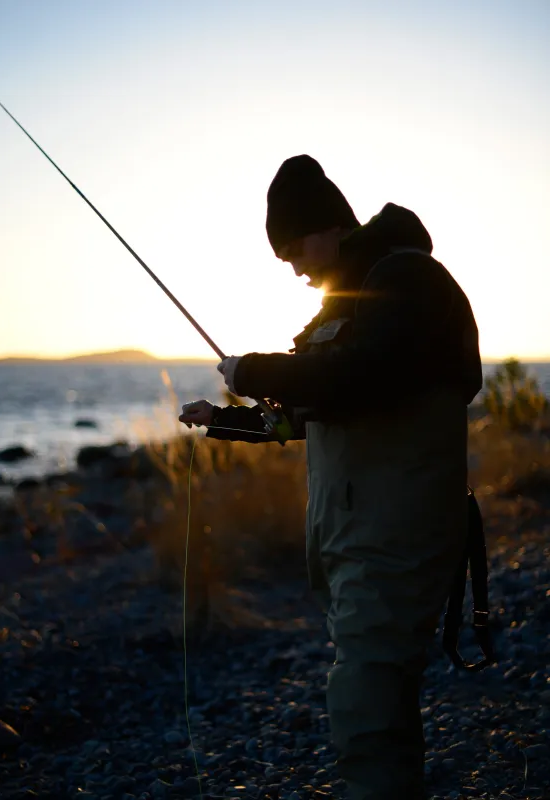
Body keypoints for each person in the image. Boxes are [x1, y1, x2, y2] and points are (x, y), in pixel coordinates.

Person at [179, 154, 482, 800]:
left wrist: (251, 370)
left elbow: (352, 377)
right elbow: (305, 417)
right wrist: (223, 421)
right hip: (353, 547)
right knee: (379, 697)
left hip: (396, 540)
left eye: (291, 246)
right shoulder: (340, 310)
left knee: (364, 707)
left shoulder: (409, 282)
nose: (289, 264)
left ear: (330, 225)